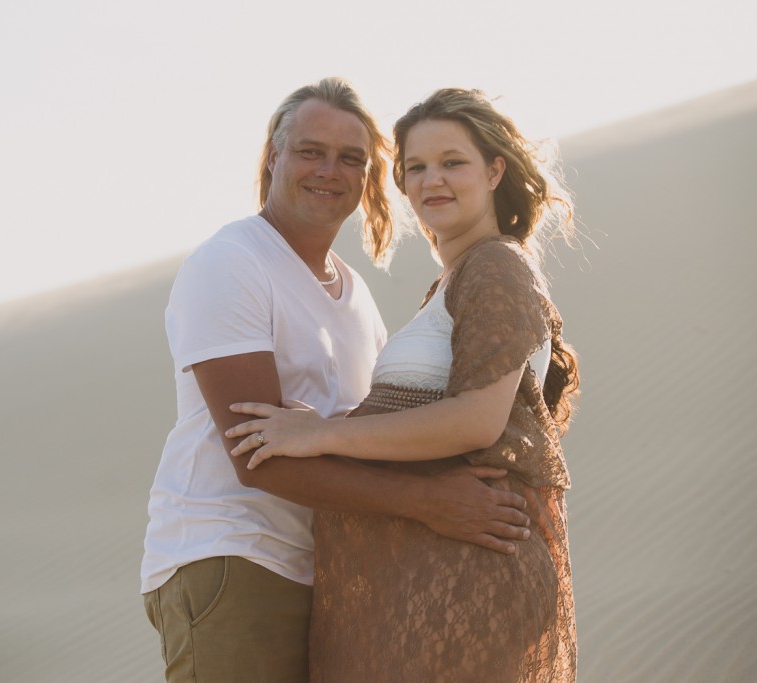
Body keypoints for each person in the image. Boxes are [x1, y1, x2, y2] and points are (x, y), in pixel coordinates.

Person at [140, 78, 533, 683]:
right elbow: (257, 456)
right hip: (234, 558)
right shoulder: (232, 262)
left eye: (351, 158)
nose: (330, 171)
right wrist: (428, 502)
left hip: (326, 576)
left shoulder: (356, 295)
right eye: (311, 151)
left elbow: (364, 434)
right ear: (274, 156)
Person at [226, 87, 580, 682]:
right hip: (427, 586)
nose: (431, 180)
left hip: (466, 584)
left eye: (452, 162)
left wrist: (320, 435)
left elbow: (477, 421)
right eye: (416, 167)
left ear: (494, 171)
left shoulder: (496, 265)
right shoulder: (450, 285)